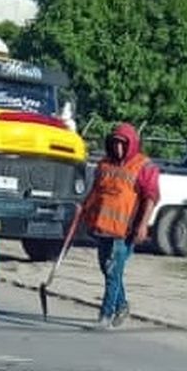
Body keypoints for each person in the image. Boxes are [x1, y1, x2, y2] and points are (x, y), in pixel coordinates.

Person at [75, 122, 159, 330]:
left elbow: (151, 197)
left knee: (113, 271)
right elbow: (95, 192)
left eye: (123, 144)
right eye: (115, 144)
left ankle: (106, 315)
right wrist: (84, 209)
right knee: (108, 269)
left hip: (125, 232)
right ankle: (121, 305)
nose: (118, 148)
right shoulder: (104, 165)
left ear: (131, 144)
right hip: (103, 227)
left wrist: (143, 225)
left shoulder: (144, 166)